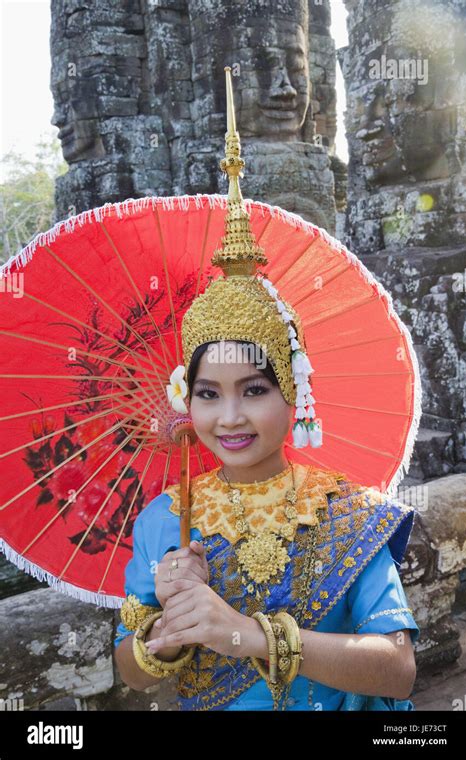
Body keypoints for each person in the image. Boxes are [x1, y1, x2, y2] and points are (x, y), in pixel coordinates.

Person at [113, 68, 420, 711]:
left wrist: (247, 634)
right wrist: (164, 633)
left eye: (254, 388)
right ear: (184, 396)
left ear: (294, 393)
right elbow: (132, 672)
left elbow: (397, 670)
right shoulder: (165, 523)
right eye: (207, 393)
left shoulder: (345, 512)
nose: (229, 417)